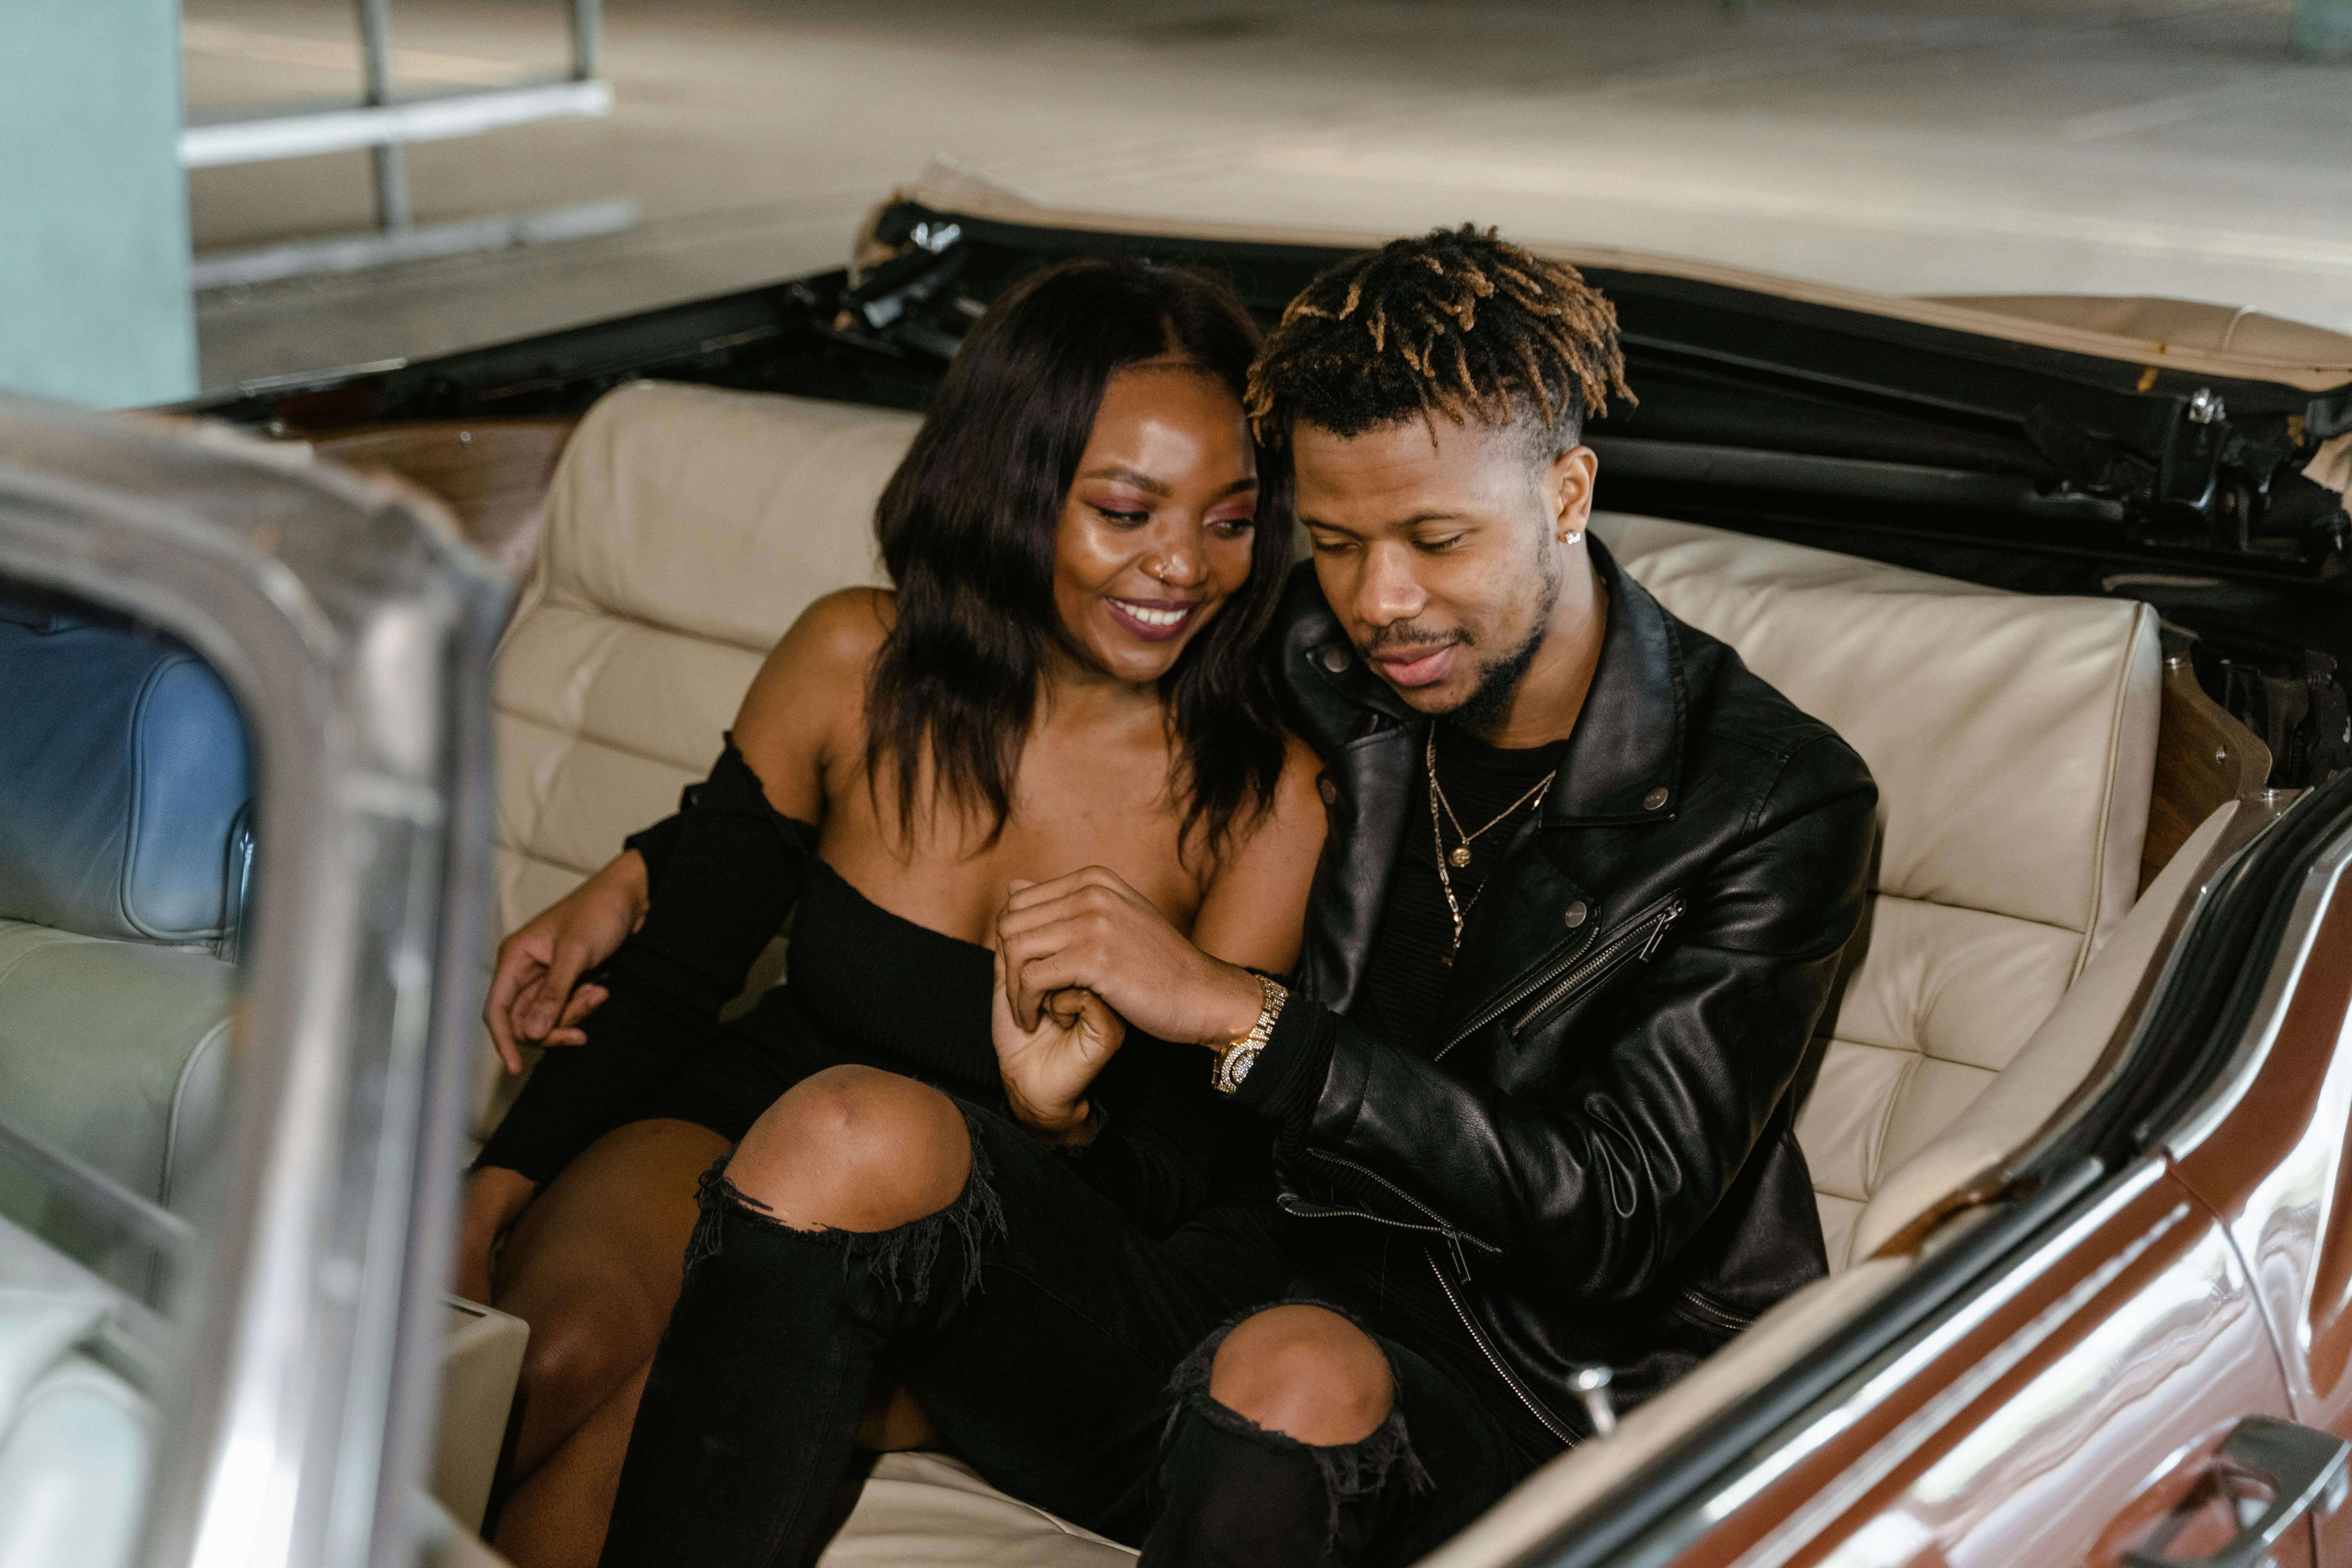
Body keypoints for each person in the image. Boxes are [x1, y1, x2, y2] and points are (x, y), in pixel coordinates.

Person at [602, 225, 1878, 1568]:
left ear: (1568, 494)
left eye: (1439, 540)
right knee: (844, 1128)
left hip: (1534, 1401)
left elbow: (1612, 1215)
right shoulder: (1315, 649)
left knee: (1293, 1370)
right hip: (1218, 1301)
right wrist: (646, 872)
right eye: (1332, 540)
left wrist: (1240, 1017)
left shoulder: (1772, 800)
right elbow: (1010, 633)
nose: (1385, 602)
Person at [458, 256, 1327, 1568]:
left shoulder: (1264, 797)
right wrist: (480, 1206)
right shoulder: (852, 662)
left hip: (992, 1231)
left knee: (659, 1421)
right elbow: (676, 977)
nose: (1181, 567)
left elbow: (1186, 1170)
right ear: (1014, 488)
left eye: (1229, 518)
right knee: (551, 1355)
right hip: (754, 1096)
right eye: (1125, 508)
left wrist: (1061, 1119)